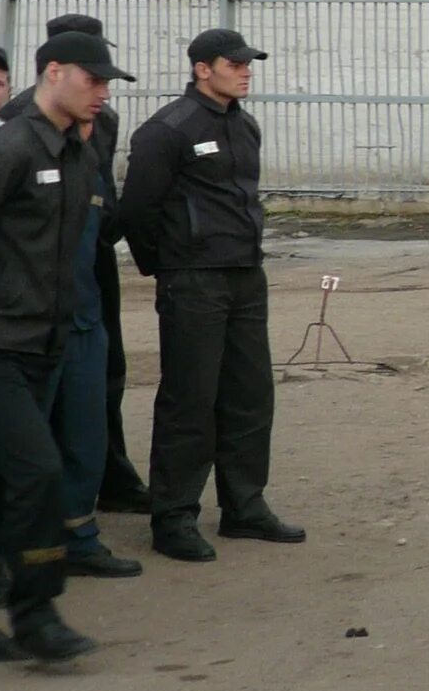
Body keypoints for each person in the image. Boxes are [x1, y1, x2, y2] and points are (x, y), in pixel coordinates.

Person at [0, 28, 135, 664]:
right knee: (38, 471)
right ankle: (36, 615)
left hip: (45, 341)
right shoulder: (6, 150)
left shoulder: (80, 153)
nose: (102, 92)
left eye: (108, 82)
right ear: (52, 73)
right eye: (93, 79)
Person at [115, 28, 303, 561]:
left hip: (244, 274)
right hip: (193, 278)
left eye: (249, 63)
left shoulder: (244, 126)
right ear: (203, 69)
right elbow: (137, 210)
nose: (246, 71)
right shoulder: (168, 129)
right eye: (235, 63)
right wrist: (167, 264)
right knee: (190, 398)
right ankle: (173, 516)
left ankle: (245, 506)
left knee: (249, 394)